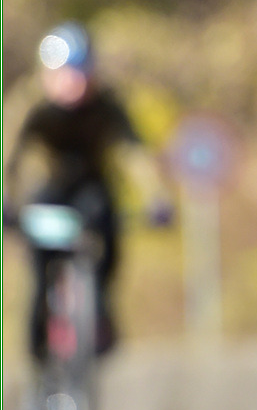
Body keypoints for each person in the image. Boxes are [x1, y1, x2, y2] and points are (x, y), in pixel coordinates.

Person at [4, 22, 172, 363]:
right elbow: (9, 153)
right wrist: (7, 201)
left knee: (108, 237)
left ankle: (99, 314)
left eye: (81, 73)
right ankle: (39, 351)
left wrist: (156, 197)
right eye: (65, 75)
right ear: (47, 75)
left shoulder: (107, 104)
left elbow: (133, 151)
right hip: (48, 189)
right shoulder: (30, 104)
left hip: (92, 187)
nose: (74, 84)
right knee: (39, 272)